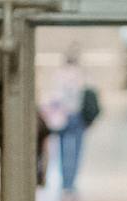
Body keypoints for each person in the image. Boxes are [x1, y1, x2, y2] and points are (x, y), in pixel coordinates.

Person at [41, 49, 92, 192]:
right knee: (77, 149)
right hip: (77, 115)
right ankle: (71, 181)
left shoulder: (58, 75)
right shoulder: (82, 75)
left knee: (63, 148)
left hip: (62, 115)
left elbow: (55, 97)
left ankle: (65, 181)